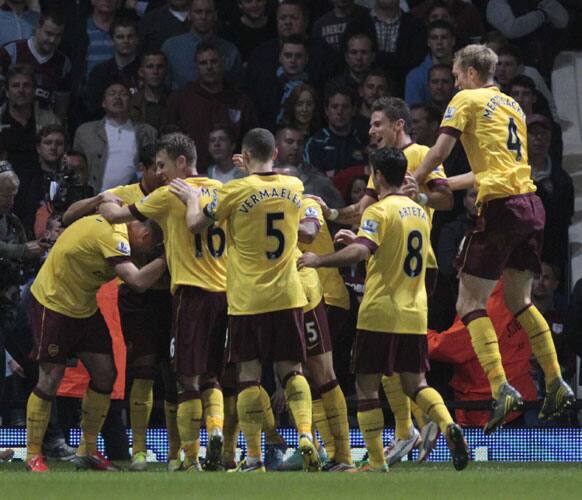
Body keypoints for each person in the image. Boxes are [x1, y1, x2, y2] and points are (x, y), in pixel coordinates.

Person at [412, 44, 575, 434]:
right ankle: (554, 381)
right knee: (520, 300)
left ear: (469, 72)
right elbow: (500, 167)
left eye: (454, 76)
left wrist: (413, 180)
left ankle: (501, 386)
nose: (453, 82)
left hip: (501, 209)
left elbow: (439, 149)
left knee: (469, 303)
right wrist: (449, 183)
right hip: (530, 204)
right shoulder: (511, 106)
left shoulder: (465, 99)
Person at [298, 146, 468, 472]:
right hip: (415, 311)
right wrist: (358, 241)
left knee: (366, 388)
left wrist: (319, 260)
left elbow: (362, 252)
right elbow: (389, 248)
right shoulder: (418, 210)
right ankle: (448, 426)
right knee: (416, 384)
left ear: (376, 176)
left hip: (379, 311)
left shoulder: (378, 211)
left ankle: (375, 462)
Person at [168, 128, 320, 473]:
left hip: (249, 299)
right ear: (276, 155)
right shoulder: (294, 187)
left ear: (245, 156)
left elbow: (195, 224)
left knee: (249, 377)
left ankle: (252, 458)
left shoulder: (235, 190)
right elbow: (268, 183)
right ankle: (307, 435)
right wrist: (251, 168)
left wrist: (192, 199)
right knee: (293, 372)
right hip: (288, 294)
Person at [99, 132, 228, 472]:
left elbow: (115, 217)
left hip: (190, 294)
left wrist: (105, 199)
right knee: (212, 376)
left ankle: (189, 456)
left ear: (181, 162)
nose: (161, 173)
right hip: (226, 295)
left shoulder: (169, 195)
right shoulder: (222, 191)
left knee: (186, 379)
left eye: (164, 165)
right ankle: (215, 430)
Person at [62, 144, 180, 472]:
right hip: (136, 297)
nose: (162, 172)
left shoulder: (180, 194)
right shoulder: (122, 194)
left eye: (165, 165)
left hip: (174, 294)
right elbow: (69, 216)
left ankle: (176, 454)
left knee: (174, 377)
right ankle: (140, 451)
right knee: (141, 373)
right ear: (144, 168)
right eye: (156, 166)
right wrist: (98, 199)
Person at [24, 207, 167, 472]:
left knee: (105, 375)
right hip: (53, 303)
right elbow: (136, 281)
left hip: (85, 307)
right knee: (50, 378)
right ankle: (33, 454)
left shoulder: (118, 218)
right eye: (150, 248)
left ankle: (87, 449)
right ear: (145, 236)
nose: (146, 254)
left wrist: (100, 197)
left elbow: (76, 213)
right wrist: (168, 257)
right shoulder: (115, 238)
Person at [162, 41, 258, 172]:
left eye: (214, 62)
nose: (209, 67)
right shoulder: (180, 99)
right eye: (203, 63)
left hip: (233, 177)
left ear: (223, 63)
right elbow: (168, 142)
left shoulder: (240, 101)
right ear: (196, 67)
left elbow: (252, 142)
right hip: (192, 176)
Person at [73, 81, 157, 193]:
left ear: (130, 101)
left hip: (134, 200)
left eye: (123, 94)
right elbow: (75, 167)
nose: (117, 97)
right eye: (112, 94)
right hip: (93, 197)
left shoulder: (147, 132)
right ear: (103, 102)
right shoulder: (85, 132)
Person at [0, 8, 71, 121]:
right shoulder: (10, 52)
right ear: (38, 28)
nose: (52, 40)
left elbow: (61, 107)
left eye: (58, 36)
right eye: (48, 33)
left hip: (44, 124)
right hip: (8, 120)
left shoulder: (63, 63)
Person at [161, 0, 241, 89]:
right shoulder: (171, 48)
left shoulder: (230, 50)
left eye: (209, 12)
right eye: (198, 12)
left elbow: (236, 88)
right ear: (189, 15)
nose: (203, 17)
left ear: (215, 16)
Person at [84, 17, 141, 121]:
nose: (125, 41)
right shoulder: (99, 73)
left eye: (130, 36)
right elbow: (94, 109)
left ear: (137, 39)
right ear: (112, 40)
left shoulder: (146, 71)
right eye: (120, 37)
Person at [304, 82, 365, 177]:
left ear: (353, 110)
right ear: (327, 111)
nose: (339, 112)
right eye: (334, 107)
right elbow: (313, 180)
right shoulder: (315, 143)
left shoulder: (363, 141)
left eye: (345, 107)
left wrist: (334, 174)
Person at [405, 20, 456, 106]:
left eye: (444, 37)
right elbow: (414, 113)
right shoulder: (415, 77)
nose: (439, 42)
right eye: (434, 38)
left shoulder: (465, 74)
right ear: (428, 42)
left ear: (453, 41)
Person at [129, 50, 171, 131]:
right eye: (150, 67)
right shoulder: (130, 103)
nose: (155, 72)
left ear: (166, 71)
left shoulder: (176, 100)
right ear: (141, 72)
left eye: (160, 66)